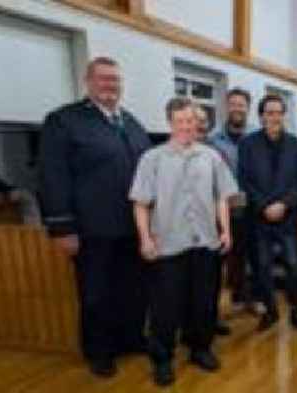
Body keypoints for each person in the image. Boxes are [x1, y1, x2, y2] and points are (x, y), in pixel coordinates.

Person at [39, 56, 151, 377]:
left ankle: (130, 338)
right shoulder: (63, 121)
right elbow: (52, 176)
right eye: (103, 79)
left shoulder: (131, 122)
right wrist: (62, 228)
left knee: (134, 289)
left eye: (115, 80)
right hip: (92, 230)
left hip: (132, 228)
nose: (110, 85)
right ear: (87, 82)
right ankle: (99, 351)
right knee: (96, 293)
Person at [130, 97, 236, 386]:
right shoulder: (152, 158)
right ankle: (162, 359)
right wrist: (144, 239)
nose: (187, 127)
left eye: (191, 121)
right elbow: (140, 203)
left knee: (204, 303)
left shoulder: (211, 156)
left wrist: (225, 230)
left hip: (206, 242)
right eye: (181, 122)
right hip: (168, 244)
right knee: (166, 307)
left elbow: (222, 196)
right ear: (170, 123)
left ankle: (200, 349)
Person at [237, 94, 297, 332]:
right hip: (258, 218)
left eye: (279, 112)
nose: (274, 117)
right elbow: (244, 180)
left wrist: (284, 205)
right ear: (261, 116)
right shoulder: (247, 144)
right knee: (262, 266)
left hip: (288, 217)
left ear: (284, 115)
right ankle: (270, 311)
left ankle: (296, 310)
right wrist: (264, 206)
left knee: (293, 266)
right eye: (269, 112)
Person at [209, 88, 261, 329]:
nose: (237, 108)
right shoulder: (213, 139)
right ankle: (228, 302)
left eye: (241, 104)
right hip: (224, 206)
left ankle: (251, 299)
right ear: (226, 107)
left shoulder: (256, 135)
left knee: (254, 253)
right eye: (233, 104)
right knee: (227, 256)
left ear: (247, 108)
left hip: (253, 203)